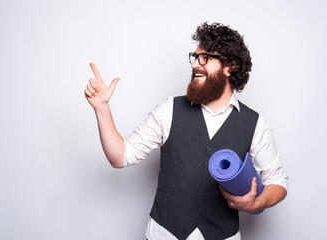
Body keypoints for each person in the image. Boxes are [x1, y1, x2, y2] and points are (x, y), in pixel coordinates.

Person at [84, 22, 288, 240]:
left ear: (229, 67)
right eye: (195, 56)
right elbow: (120, 157)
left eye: (205, 58)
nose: (194, 65)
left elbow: (278, 182)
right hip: (164, 234)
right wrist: (102, 109)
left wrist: (258, 202)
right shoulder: (168, 110)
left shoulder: (255, 123)